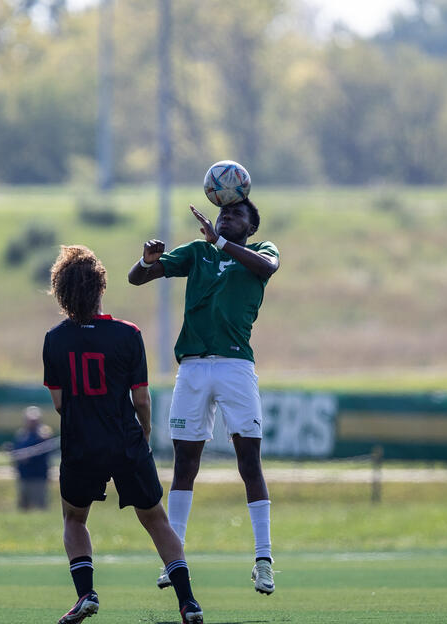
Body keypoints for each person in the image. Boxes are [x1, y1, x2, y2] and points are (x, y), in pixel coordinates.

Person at [43, 244, 204, 624]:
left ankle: (86, 594)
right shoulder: (128, 334)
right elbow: (142, 398)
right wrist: (143, 432)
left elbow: (59, 402)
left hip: (81, 442)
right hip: (125, 440)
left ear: (61, 292)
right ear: (101, 287)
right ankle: (188, 602)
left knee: (74, 519)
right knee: (155, 519)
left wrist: (85, 414)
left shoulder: (55, 339)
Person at [127, 197, 279, 595]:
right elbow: (136, 279)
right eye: (224, 212)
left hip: (235, 367)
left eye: (237, 214)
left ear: (251, 227)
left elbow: (269, 269)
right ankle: (173, 559)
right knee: (184, 465)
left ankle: (263, 560)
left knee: (250, 462)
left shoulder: (261, 252)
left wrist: (222, 242)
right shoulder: (197, 252)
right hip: (192, 368)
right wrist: (146, 260)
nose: (227, 216)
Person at [10, 405, 55, 510]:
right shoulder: (22, 435)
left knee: (40, 506)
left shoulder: (43, 435)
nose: (32, 422)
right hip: (24, 476)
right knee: (23, 507)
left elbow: (43, 452)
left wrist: (26, 456)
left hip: (38, 477)